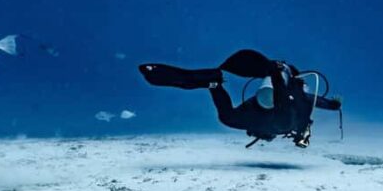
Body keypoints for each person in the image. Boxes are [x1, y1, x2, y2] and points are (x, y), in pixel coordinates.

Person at [139, 49, 342, 148]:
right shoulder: (297, 95)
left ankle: (214, 85)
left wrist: (332, 105)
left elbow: (304, 99)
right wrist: (333, 105)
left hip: (258, 114)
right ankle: (218, 84)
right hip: (276, 120)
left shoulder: (288, 95)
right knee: (283, 115)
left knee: (227, 117)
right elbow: (311, 99)